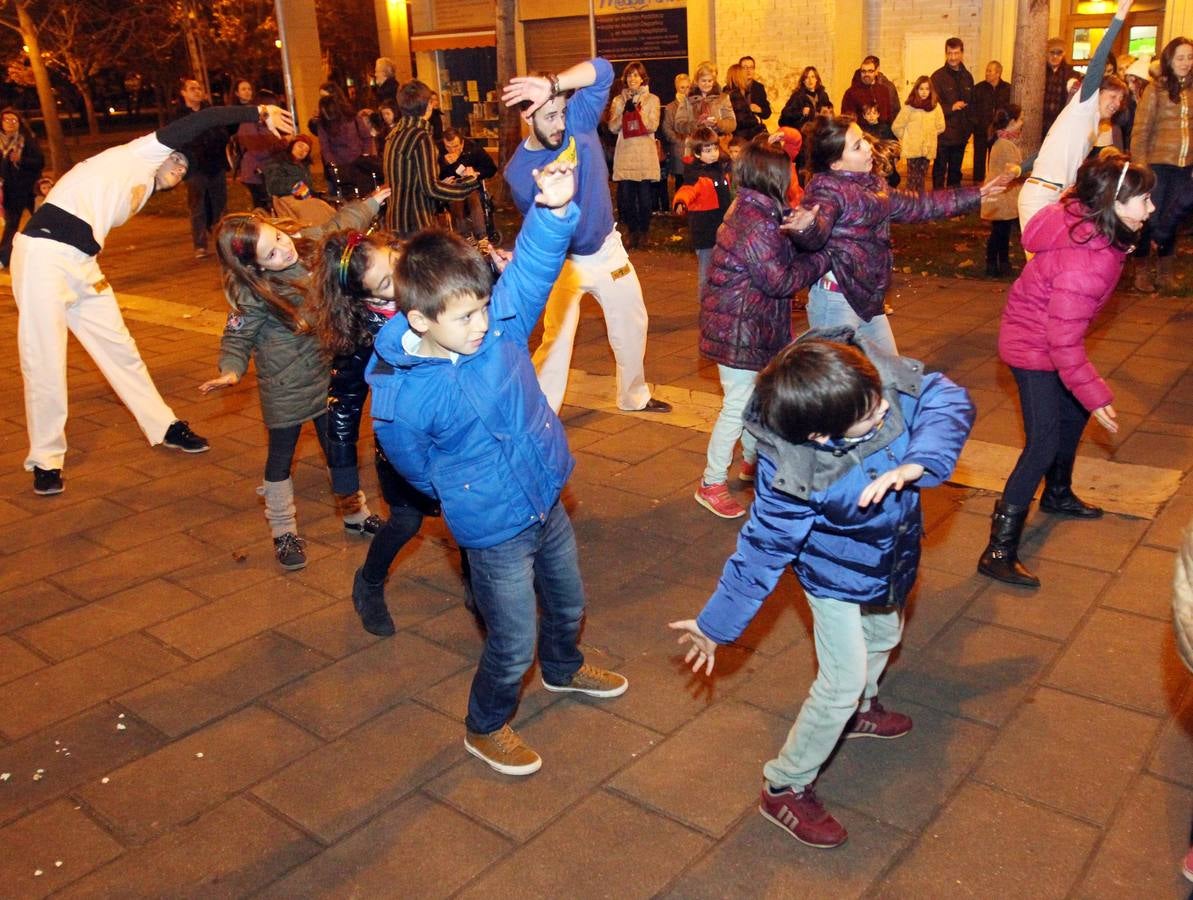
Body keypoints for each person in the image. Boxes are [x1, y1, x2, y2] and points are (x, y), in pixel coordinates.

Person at [366, 160, 629, 776]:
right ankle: (484, 726)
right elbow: (415, 468)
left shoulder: (499, 331)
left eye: (484, 307)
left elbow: (535, 269)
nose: (482, 323)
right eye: (465, 316)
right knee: (511, 644)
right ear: (419, 320)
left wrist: (557, 209)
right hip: (492, 530)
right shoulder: (402, 398)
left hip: (545, 500)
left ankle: (564, 668)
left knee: (568, 606)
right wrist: (469, 493)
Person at [670, 331, 975, 848]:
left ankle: (862, 709)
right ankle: (785, 785)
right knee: (840, 681)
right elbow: (761, 552)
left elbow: (946, 395)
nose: (884, 413)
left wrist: (921, 459)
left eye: (879, 401)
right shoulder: (795, 475)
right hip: (833, 579)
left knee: (884, 637)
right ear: (820, 436)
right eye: (870, 418)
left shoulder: (864, 383)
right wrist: (715, 625)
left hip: (889, 559)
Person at [12, 101, 292, 496]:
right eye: (177, 162)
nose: (178, 172)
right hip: (43, 256)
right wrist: (255, 111)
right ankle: (45, 459)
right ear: (166, 153)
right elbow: (199, 121)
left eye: (183, 172)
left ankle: (163, 426)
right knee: (44, 358)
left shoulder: (142, 186)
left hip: (81, 262)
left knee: (121, 348)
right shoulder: (140, 154)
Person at [978, 152, 1154, 588]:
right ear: (1114, 203)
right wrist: (1096, 395)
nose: (1151, 207)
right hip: (1031, 346)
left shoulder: (1090, 223)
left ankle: (1057, 494)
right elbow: (1063, 343)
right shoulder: (1087, 261)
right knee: (1042, 442)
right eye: (1144, 199)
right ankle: (998, 551)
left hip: (1043, 333)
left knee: (1071, 413)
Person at [200, 188, 390, 570]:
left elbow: (339, 226)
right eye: (270, 254)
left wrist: (369, 205)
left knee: (339, 446)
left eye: (278, 238)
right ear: (252, 267)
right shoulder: (252, 294)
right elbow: (236, 335)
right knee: (280, 460)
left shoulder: (307, 247)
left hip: (325, 375)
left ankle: (354, 513)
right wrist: (231, 369)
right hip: (285, 388)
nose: (283, 250)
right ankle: (283, 530)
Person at [312, 228, 472, 635]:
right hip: (406, 447)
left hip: (456, 433)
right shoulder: (368, 333)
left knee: (470, 514)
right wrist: (344, 474)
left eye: (395, 265)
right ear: (365, 298)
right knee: (405, 523)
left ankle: (479, 585)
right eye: (386, 284)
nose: (399, 282)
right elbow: (344, 401)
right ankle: (368, 582)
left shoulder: (431, 285)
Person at [502, 57, 671, 414]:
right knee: (557, 339)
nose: (560, 123)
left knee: (632, 323)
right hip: (564, 263)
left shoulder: (577, 117)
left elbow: (604, 70)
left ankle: (633, 396)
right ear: (526, 116)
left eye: (561, 112)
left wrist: (553, 84)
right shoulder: (519, 172)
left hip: (607, 248)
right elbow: (540, 231)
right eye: (549, 116)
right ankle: (540, 412)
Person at [784, 116, 1006, 356]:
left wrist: (976, 195)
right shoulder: (825, 190)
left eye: (864, 140)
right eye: (857, 146)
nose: (868, 147)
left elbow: (919, 205)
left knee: (892, 377)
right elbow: (816, 235)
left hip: (867, 299)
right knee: (838, 388)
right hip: (836, 303)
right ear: (836, 163)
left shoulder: (873, 185)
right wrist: (805, 227)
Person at [692, 140, 823, 519]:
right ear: (773, 177)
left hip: (747, 322)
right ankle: (711, 481)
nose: (792, 178)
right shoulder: (756, 220)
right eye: (787, 172)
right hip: (739, 327)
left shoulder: (757, 209)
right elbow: (778, 280)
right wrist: (820, 263)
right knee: (737, 404)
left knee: (756, 397)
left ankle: (751, 460)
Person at [1018, 0, 1131, 231]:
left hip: (1057, 196)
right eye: (1112, 96)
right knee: (1042, 262)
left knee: (1057, 263)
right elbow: (1097, 64)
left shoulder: (1094, 125)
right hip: (1040, 196)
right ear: (1098, 92)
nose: (1116, 104)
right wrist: (1118, 19)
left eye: (1120, 100)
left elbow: (1050, 147)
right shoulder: (1085, 104)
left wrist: (1020, 168)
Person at [1128, 36, 1193, 293]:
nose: (1186, 63)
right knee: (1149, 218)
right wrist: (1140, 165)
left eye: (1190, 57)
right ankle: (1141, 269)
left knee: (1172, 219)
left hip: (1184, 167)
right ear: (1169, 59)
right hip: (1157, 164)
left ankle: (1165, 271)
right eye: (1180, 57)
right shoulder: (1155, 90)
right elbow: (1141, 130)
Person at [381, 79, 478, 236]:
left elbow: (408, 180)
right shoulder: (420, 137)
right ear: (427, 106)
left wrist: (440, 184)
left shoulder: (394, 134)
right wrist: (468, 182)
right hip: (416, 223)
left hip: (396, 220)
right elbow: (431, 188)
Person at [172, 79, 229, 259]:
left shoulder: (210, 112)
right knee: (198, 207)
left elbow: (222, 133)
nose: (197, 92)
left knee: (220, 205)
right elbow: (178, 140)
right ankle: (200, 244)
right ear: (184, 93)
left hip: (215, 164)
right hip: (195, 168)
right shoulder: (179, 116)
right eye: (192, 89)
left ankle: (222, 242)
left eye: (199, 88)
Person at [671, 126, 733, 296]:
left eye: (714, 148)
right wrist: (681, 202)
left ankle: (720, 302)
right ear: (697, 154)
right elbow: (687, 190)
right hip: (704, 231)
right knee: (706, 272)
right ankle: (706, 305)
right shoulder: (696, 175)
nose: (713, 153)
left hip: (723, 229)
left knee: (724, 270)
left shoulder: (721, 169)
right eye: (707, 150)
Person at [608, 60, 661, 250]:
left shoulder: (653, 99)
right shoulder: (618, 100)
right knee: (627, 198)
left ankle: (645, 231)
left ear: (642, 78)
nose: (633, 78)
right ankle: (632, 232)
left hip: (644, 152)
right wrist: (624, 110)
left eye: (636, 75)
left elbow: (653, 125)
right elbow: (612, 127)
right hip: (626, 152)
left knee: (645, 199)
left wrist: (637, 112)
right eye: (630, 75)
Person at [981, 105, 1024, 277]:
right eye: (1020, 119)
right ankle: (994, 264)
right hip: (1000, 196)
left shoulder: (1003, 141)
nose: (1022, 123)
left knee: (1002, 232)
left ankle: (1001, 263)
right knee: (999, 233)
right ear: (1012, 122)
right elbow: (1013, 169)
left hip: (1000, 195)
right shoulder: (1005, 145)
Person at [311, 91, 379, 199]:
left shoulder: (353, 118)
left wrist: (365, 155)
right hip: (341, 167)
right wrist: (333, 165)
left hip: (360, 163)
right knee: (347, 197)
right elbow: (325, 147)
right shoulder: (323, 124)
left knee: (365, 195)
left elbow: (366, 137)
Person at [0, 107, 44, 268]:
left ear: (19, 123)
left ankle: (47, 252)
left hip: (30, 189)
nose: (11, 123)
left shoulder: (27, 139)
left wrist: (21, 160)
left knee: (41, 221)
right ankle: (4, 258)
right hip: (10, 191)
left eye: (14, 120)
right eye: (7, 120)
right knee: (11, 225)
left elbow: (40, 162)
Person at [437, 128, 498, 240]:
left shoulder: (474, 149)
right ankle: (462, 235)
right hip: (449, 189)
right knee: (456, 196)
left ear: (462, 142)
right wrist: (445, 164)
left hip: (471, 187)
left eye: (455, 146)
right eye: (448, 147)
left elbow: (491, 169)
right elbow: (435, 175)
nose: (452, 150)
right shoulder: (438, 151)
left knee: (471, 194)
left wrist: (476, 173)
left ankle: (481, 235)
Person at [931, 38, 974, 188]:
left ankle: (953, 207)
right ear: (946, 54)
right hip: (943, 136)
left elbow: (971, 106)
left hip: (961, 137)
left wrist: (969, 130)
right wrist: (951, 107)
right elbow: (932, 105)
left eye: (956, 53)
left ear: (962, 53)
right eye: (950, 53)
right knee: (939, 173)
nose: (953, 57)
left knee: (955, 175)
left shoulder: (968, 77)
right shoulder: (937, 77)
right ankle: (937, 207)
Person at [892, 76, 945, 194]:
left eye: (927, 89)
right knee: (912, 179)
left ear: (931, 90)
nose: (924, 92)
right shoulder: (909, 107)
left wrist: (930, 135)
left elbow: (941, 126)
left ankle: (920, 205)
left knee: (921, 179)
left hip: (927, 149)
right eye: (921, 89)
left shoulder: (935, 107)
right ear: (916, 90)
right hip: (913, 149)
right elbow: (896, 126)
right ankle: (910, 205)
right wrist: (907, 138)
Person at [235, 90, 286, 209]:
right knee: (262, 208)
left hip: (268, 172)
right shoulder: (249, 123)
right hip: (255, 173)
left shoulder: (267, 123)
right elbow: (258, 152)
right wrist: (282, 144)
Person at [674, 61, 736, 148]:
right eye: (703, 81)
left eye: (710, 81)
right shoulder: (687, 99)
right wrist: (698, 123)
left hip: (718, 145)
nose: (707, 84)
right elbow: (678, 125)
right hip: (695, 145)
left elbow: (732, 124)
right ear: (697, 80)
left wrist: (717, 123)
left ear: (714, 81)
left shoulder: (723, 98)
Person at [970, 61, 1011, 184]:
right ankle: (977, 186)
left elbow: (1010, 110)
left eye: (990, 71)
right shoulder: (978, 88)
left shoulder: (1008, 89)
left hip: (998, 132)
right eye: (986, 70)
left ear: (998, 73)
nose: (986, 73)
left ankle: (994, 184)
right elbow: (972, 109)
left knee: (995, 160)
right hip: (981, 131)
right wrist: (976, 124)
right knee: (978, 160)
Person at [841, 56, 898, 130]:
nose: (866, 74)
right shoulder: (851, 93)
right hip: (862, 133)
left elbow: (889, 115)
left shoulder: (884, 90)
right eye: (863, 71)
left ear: (876, 72)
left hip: (882, 133)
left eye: (870, 71)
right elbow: (847, 120)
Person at [659, 73, 691, 202]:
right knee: (680, 180)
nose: (685, 90)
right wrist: (678, 140)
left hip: (693, 146)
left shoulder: (694, 104)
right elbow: (667, 128)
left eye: (688, 87)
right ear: (677, 88)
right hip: (679, 148)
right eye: (682, 87)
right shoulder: (671, 107)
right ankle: (680, 206)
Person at [1043, 37, 1076, 139]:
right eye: (1052, 52)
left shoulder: (1070, 73)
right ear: (1046, 53)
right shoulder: (1039, 71)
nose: (1055, 56)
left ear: (1064, 53)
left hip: (1060, 122)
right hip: (1041, 123)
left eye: (1059, 53)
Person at [735, 55, 772, 140]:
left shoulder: (759, 87)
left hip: (755, 131)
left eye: (751, 67)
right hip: (738, 133)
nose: (748, 70)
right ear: (739, 70)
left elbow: (767, 112)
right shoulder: (732, 88)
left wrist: (760, 110)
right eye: (745, 67)